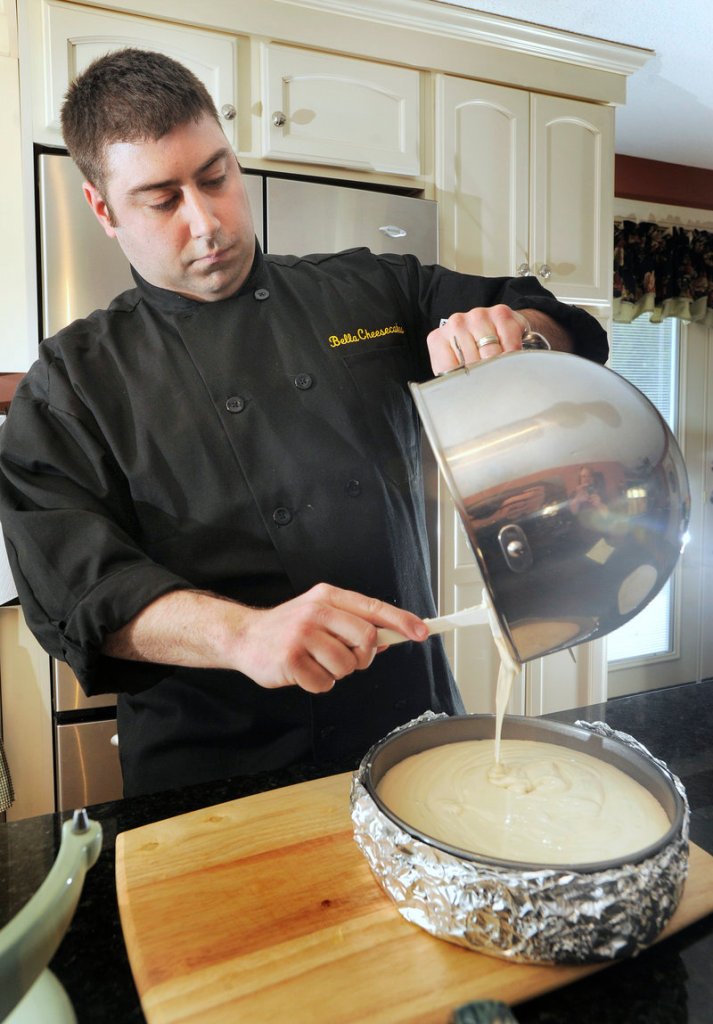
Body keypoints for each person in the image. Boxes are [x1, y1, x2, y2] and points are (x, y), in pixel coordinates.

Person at [0, 49, 609, 798]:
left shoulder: (366, 289)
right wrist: (243, 633)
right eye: (162, 199)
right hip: (211, 779)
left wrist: (518, 331)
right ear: (103, 209)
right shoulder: (72, 384)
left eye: (217, 176)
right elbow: (75, 595)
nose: (208, 221)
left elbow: (559, 320)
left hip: (408, 739)